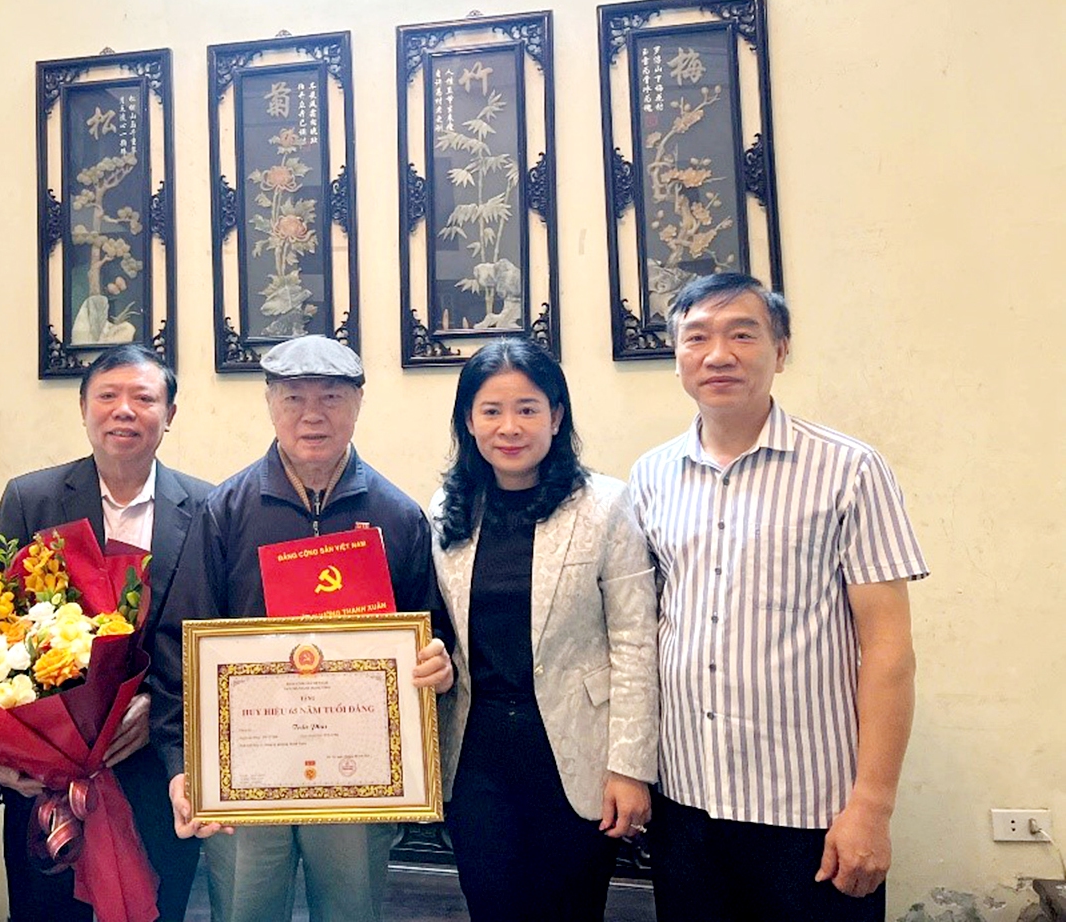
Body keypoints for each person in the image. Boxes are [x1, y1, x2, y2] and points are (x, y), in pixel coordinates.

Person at [627, 273, 927, 921]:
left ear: (781, 351)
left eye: (743, 335)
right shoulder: (650, 476)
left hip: (811, 810)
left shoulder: (849, 469)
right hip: (686, 805)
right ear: (677, 356)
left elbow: (888, 650)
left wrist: (872, 806)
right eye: (697, 338)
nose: (718, 354)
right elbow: (643, 631)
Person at [152, 335, 453, 922]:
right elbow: (179, 644)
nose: (312, 415)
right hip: (242, 772)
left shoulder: (398, 516)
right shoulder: (226, 511)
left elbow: (433, 636)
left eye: (331, 398)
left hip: (357, 777)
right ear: (270, 403)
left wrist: (438, 666)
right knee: (245, 910)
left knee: (350, 911)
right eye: (293, 398)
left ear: (358, 404)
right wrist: (181, 762)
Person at [429, 339, 657, 921]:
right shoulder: (448, 509)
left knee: (571, 910)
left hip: (578, 752)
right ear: (468, 422)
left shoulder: (606, 506)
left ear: (556, 417)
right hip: (476, 756)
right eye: (491, 410)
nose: (509, 427)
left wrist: (630, 768)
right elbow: (440, 629)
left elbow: (635, 643)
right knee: (492, 906)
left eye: (527, 409)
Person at [0, 343, 211, 922]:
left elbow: (210, 637)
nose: (124, 410)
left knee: (156, 907)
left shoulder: (209, 507)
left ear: (170, 413)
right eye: (107, 396)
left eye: (143, 398)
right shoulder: (30, 499)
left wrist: (155, 707)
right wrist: (1, 754)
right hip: (47, 774)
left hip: (157, 766)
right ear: (84, 408)